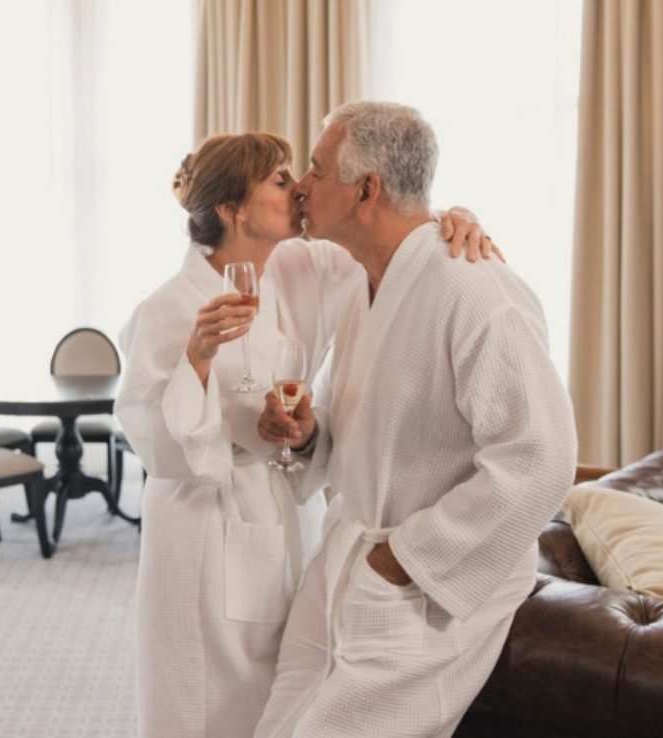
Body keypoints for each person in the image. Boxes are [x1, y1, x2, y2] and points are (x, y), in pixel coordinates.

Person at [114, 132, 500, 737]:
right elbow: (152, 441)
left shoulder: (297, 267)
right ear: (231, 210)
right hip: (197, 523)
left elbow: (387, 243)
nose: (297, 188)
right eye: (277, 179)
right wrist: (197, 358)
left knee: (268, 687)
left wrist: (452, 219)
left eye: (297, 173)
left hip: (272, 510)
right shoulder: (166, 309)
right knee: (195, 694)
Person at [253, 101, 578, 737]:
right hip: (348, 559)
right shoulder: (359, 281)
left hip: (423, 584)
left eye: (317, 170)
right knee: (280, 723)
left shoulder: (475, 289)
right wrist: (310, 432)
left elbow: (541, 458)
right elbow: (363, 420)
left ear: (366, 189)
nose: (304, 186)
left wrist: (405, 560)